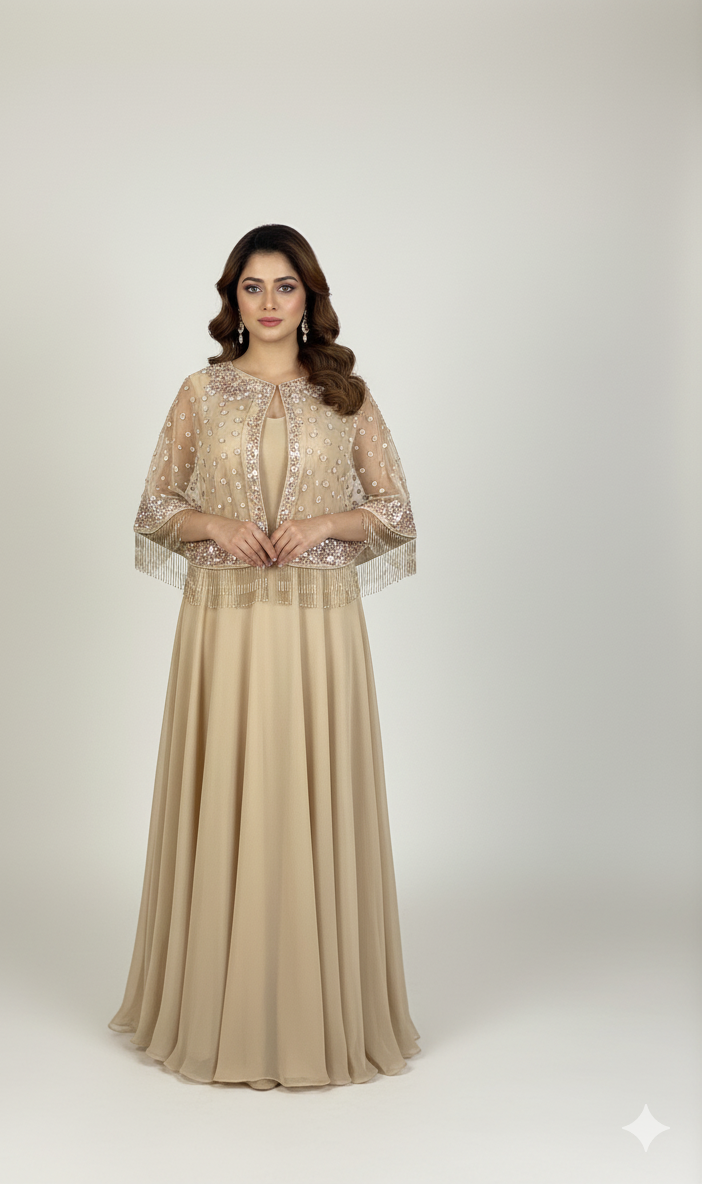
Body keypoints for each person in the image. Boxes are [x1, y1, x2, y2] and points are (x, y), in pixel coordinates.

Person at [108, 224, 420, 1089]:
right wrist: (214, 523)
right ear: (233, 299)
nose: (270, 302)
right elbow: (153, 507)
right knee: (230, 789)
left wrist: (324, 524)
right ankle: (219, 1011)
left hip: (319, 631)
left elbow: (397, 512)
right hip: (227, 627)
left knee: (310, 791)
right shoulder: (201, 394)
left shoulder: (346, 397)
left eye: (286, 286)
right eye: (254, 287)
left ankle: (322, 1014)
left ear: (309, 297)